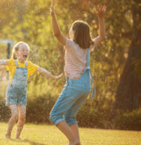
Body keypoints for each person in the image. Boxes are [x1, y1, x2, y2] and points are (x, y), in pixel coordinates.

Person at [50, 1, 106, 145]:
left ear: (73, 33)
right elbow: (102, 36)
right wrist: (100, 18)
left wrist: (52, 14)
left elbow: (56, 33)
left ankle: (73, 140)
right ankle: (77, 143)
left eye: (71, 30)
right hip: (86, 88)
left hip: (74, 86)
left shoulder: (71, 45)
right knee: (70, 116)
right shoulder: (88, 47)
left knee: (55, 114)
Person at [0, 41, 63, 139]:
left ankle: (17, 136)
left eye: (27, 50)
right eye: (23, 50)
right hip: (12, 93)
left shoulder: (29, 65)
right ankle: (8, 134)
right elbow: (2, 62)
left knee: (22, 116)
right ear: (16, 53)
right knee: (15, 115)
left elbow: (43, 70)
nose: (25, 52)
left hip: (22, 94)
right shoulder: (12, 63)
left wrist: (53, 77)